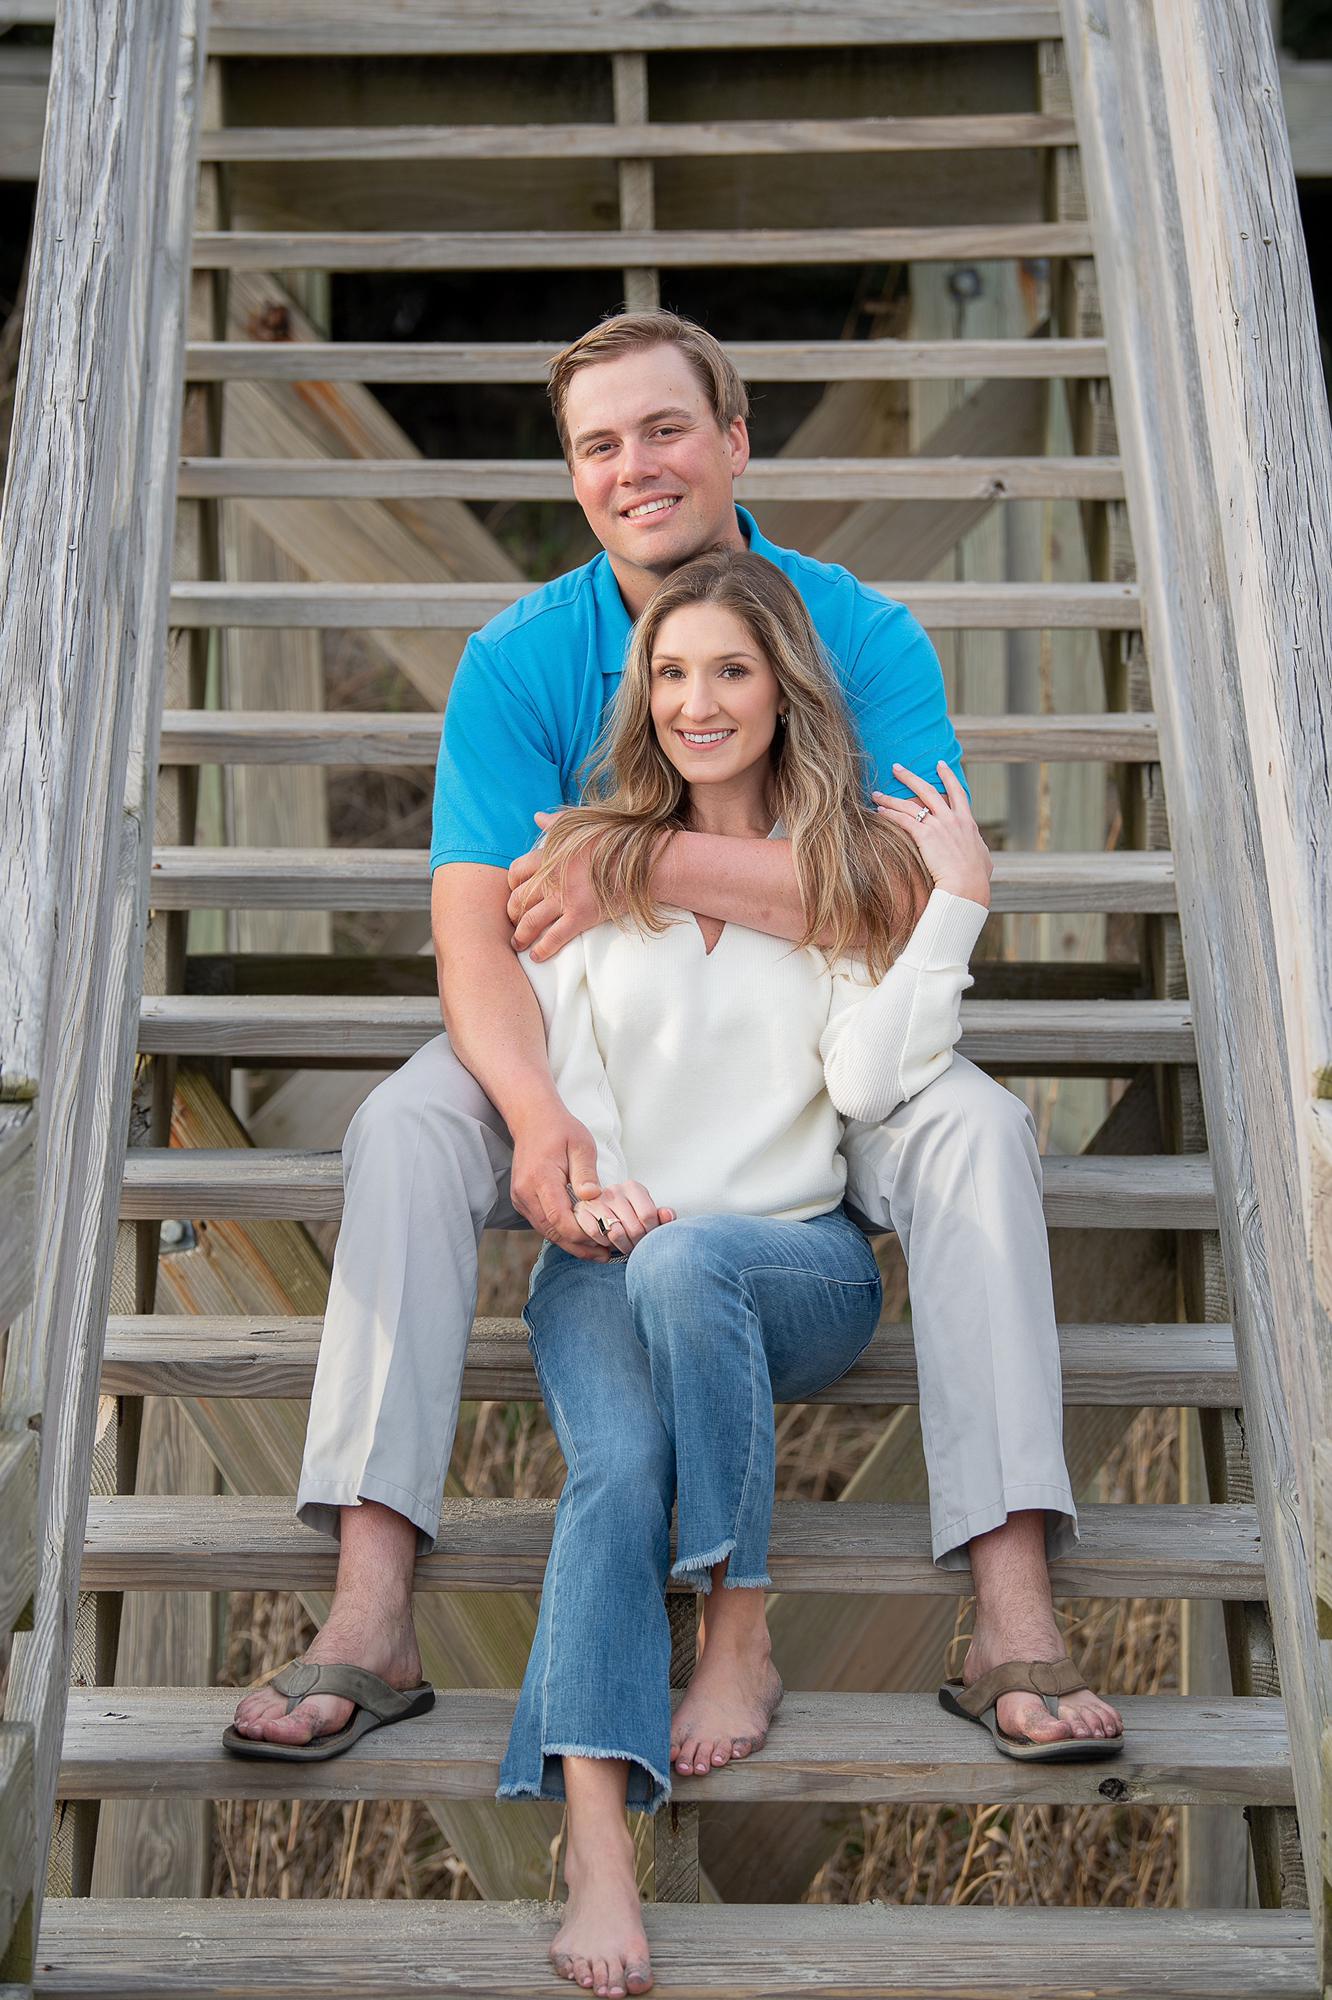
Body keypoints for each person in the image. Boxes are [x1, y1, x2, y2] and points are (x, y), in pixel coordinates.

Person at [226, 308, 1122, 1784]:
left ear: (736, 441)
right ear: (573, 476)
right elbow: (477, 932)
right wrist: (533, 1114)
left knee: (976, 1128)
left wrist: (636, 859)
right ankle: (370, 1610)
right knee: (403, 1126)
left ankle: (1013, 1620)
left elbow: (903, 897)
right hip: (584, 1029)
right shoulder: (522, 658)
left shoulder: (859, 633)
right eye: (599, 445)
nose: (633, 467)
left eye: (664, 429)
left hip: (826, 1026)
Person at [496, 545, 1019, 1999]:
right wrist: (594, 1189)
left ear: (783, 689)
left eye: (729, 670)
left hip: (795, 1266)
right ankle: (597, 1848)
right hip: (609, 1262)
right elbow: (561, 1066)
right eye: (670, 674)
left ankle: (738, 1627)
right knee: (614, 1473)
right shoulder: (590, 864)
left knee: (695, 1261)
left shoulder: (835, 872)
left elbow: (864, 1083)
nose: (697, 702)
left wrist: (952, 911)